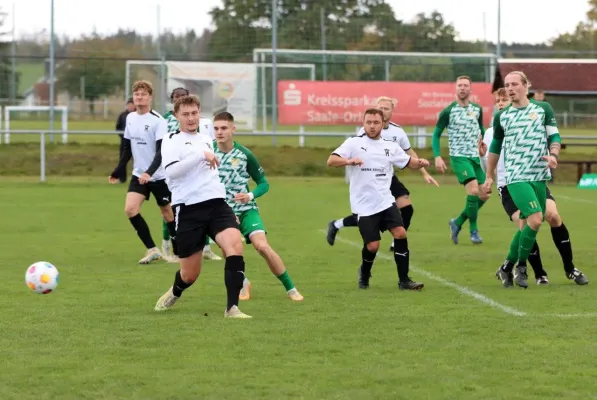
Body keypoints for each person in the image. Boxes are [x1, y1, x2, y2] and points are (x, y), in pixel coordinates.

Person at [154, 95, 251, 318]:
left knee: (235, 246)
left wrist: (227, 206)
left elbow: (212, 173)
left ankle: (232, 308)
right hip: (188, 209)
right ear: (176, 116)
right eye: (185, 114)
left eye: (194, 113)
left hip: (217, 204)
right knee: (190, 275)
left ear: (200, 113)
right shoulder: (171, 140)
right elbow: (171, 172)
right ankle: (175, 291)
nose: (190, 118)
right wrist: (200, 155)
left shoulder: (206, 138)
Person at [480, 87, 588, 286]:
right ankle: (538, 273)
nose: (503, 102)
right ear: (496, 104)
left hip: (535, 178)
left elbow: (551, 135)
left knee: (553, 216)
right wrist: (483, 160)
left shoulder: (533, 114)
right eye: (499, 100)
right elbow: (490, 162)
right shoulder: (492, 131)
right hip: (509, 184)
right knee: (530, 223)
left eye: (506, 98)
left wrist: (552, 153)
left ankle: (569, 268)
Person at [327, 108, 429, 290]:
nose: (372, 126)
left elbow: (407, 161)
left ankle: (404, 280)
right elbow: (331, 160)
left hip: (385, 200)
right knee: (373, 246)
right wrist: (349, 162)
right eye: (368, 122)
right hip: (364, 205)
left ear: (382, 124)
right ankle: (364, 273)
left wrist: (419, 162)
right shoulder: (353, 143)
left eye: (376, 123)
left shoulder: (390, 146)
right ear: (363, 123)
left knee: (400, 233)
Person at [326, 96, 439, 251]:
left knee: (407, 208)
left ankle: (396, 240)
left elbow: (409, 153)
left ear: (392, 111)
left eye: (386, 108)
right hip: (369, 179)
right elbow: (354, 148)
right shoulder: (366, 130)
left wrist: (424, 173)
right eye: (380, 108)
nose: (383, 111)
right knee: (369, 214)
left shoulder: (398, 131)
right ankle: (337, 224)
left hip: (388, 177)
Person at [213, 111, 304, 302]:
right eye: (216, 128)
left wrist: (250, 195)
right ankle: (243, 282)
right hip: (223, 214)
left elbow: (263, 183)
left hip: (247, 211)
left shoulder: (245, 154)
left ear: (233, 129)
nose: (219, 132)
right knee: (230, 251)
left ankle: (291, 288)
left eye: (224, 128)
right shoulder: (209, 153)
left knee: (262, 247)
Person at [483, 71, 563, 289]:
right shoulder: (502, 116)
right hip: (515, 176)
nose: (510, 88)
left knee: (533, 223)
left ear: (526, 86)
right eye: (507, 85)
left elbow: (554, 136)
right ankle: (520, 266)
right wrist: (489, 176)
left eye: (514, 84)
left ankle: (506, 267)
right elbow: (495, 149)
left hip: (539, 175)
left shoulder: (543, 109)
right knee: (536, 219)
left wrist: (553, 155)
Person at [109, 80, 174, 264]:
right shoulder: (130, 118)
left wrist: (150, 172)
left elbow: (162, 151)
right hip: (139, 175)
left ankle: (180, 252)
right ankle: (153, 249)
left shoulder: (158, 121)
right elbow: (128, 148)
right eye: (137, 94)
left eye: (143, 94)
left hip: (159, 176)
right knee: (130, 209)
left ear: (150, 97)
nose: (139, 97)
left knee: (168, 213)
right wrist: (118, 170)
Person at [160, 87, 222, 262]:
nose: (191, 117)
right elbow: (169, 161)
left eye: (194, 112)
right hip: (181, 186)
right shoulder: (168, 127)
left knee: (232, 244)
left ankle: (208, 248)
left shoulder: (205, 128)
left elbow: (212, 149)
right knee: (167, 210)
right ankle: (168, 245)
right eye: (177, 98)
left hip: (207, 188)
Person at [432, 76, 489, 245]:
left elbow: (481, 129)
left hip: (475, 157)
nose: (462, 88)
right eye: (460, 85)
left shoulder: (477, 109)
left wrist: (483, 144)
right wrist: (437, 156)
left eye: (466, 86)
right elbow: (436, 134)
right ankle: (474, 231)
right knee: (473, 192)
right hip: (459, 156)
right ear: (455, 88)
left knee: (485, 194)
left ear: (470, 89)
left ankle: (457, 222)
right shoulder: (448, 111)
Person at [114, 98, 135, 183]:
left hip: (136, 142)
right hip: (124, 142)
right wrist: (123, 136)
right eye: (129, 105)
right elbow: (118, 127)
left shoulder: (138, 115)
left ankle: (137, 179)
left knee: (137, 160)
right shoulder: (122, 115)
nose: (130, 106)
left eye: (132, 105)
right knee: (122, 160)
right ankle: (122, 179)